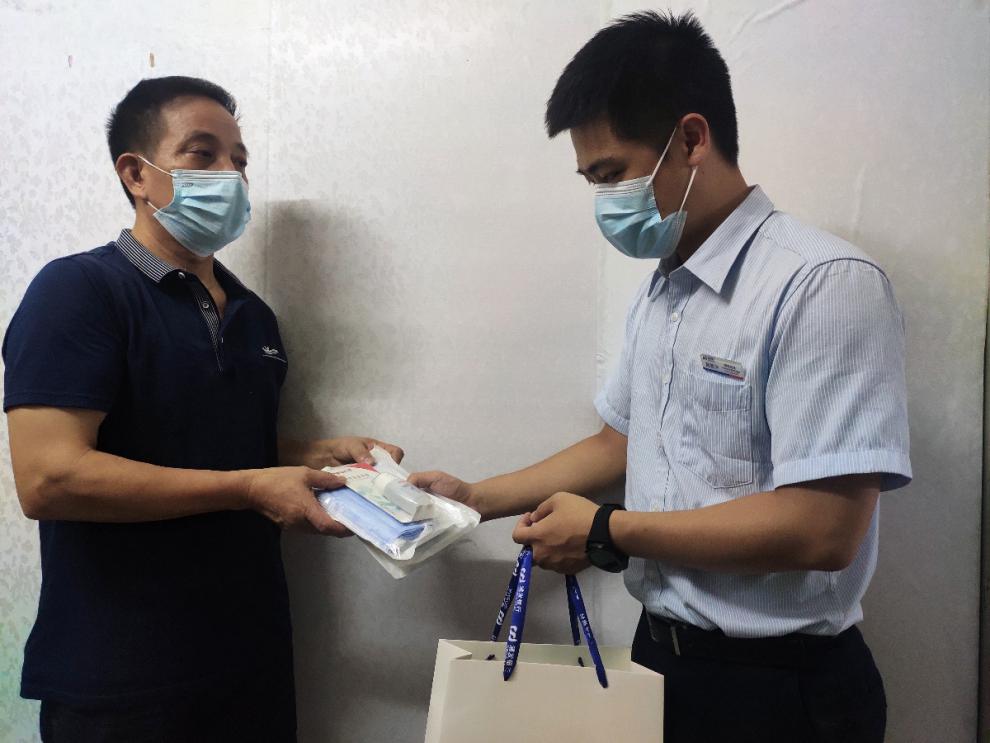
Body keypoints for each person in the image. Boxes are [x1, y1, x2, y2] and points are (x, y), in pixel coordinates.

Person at [411, 11, 910, 743]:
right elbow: (621, 441)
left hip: (779, 689)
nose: (605, 201)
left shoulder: (822, 283)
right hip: (660, 661)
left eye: (613, 174)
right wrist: (473, 498)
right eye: (591, 180)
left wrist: (608, 531)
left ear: (692, 139)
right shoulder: (664, 289)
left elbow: (822, 528)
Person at [3, 75, 401, 742]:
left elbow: (204, 439)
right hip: (121, 680)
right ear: (137, 173)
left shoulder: (254, 315)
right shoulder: (79, 290)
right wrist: (249, 487)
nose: (230, 175)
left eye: (239, 160)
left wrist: (312, 455)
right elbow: (49, 478)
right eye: (202, 153)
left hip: (250, 665)